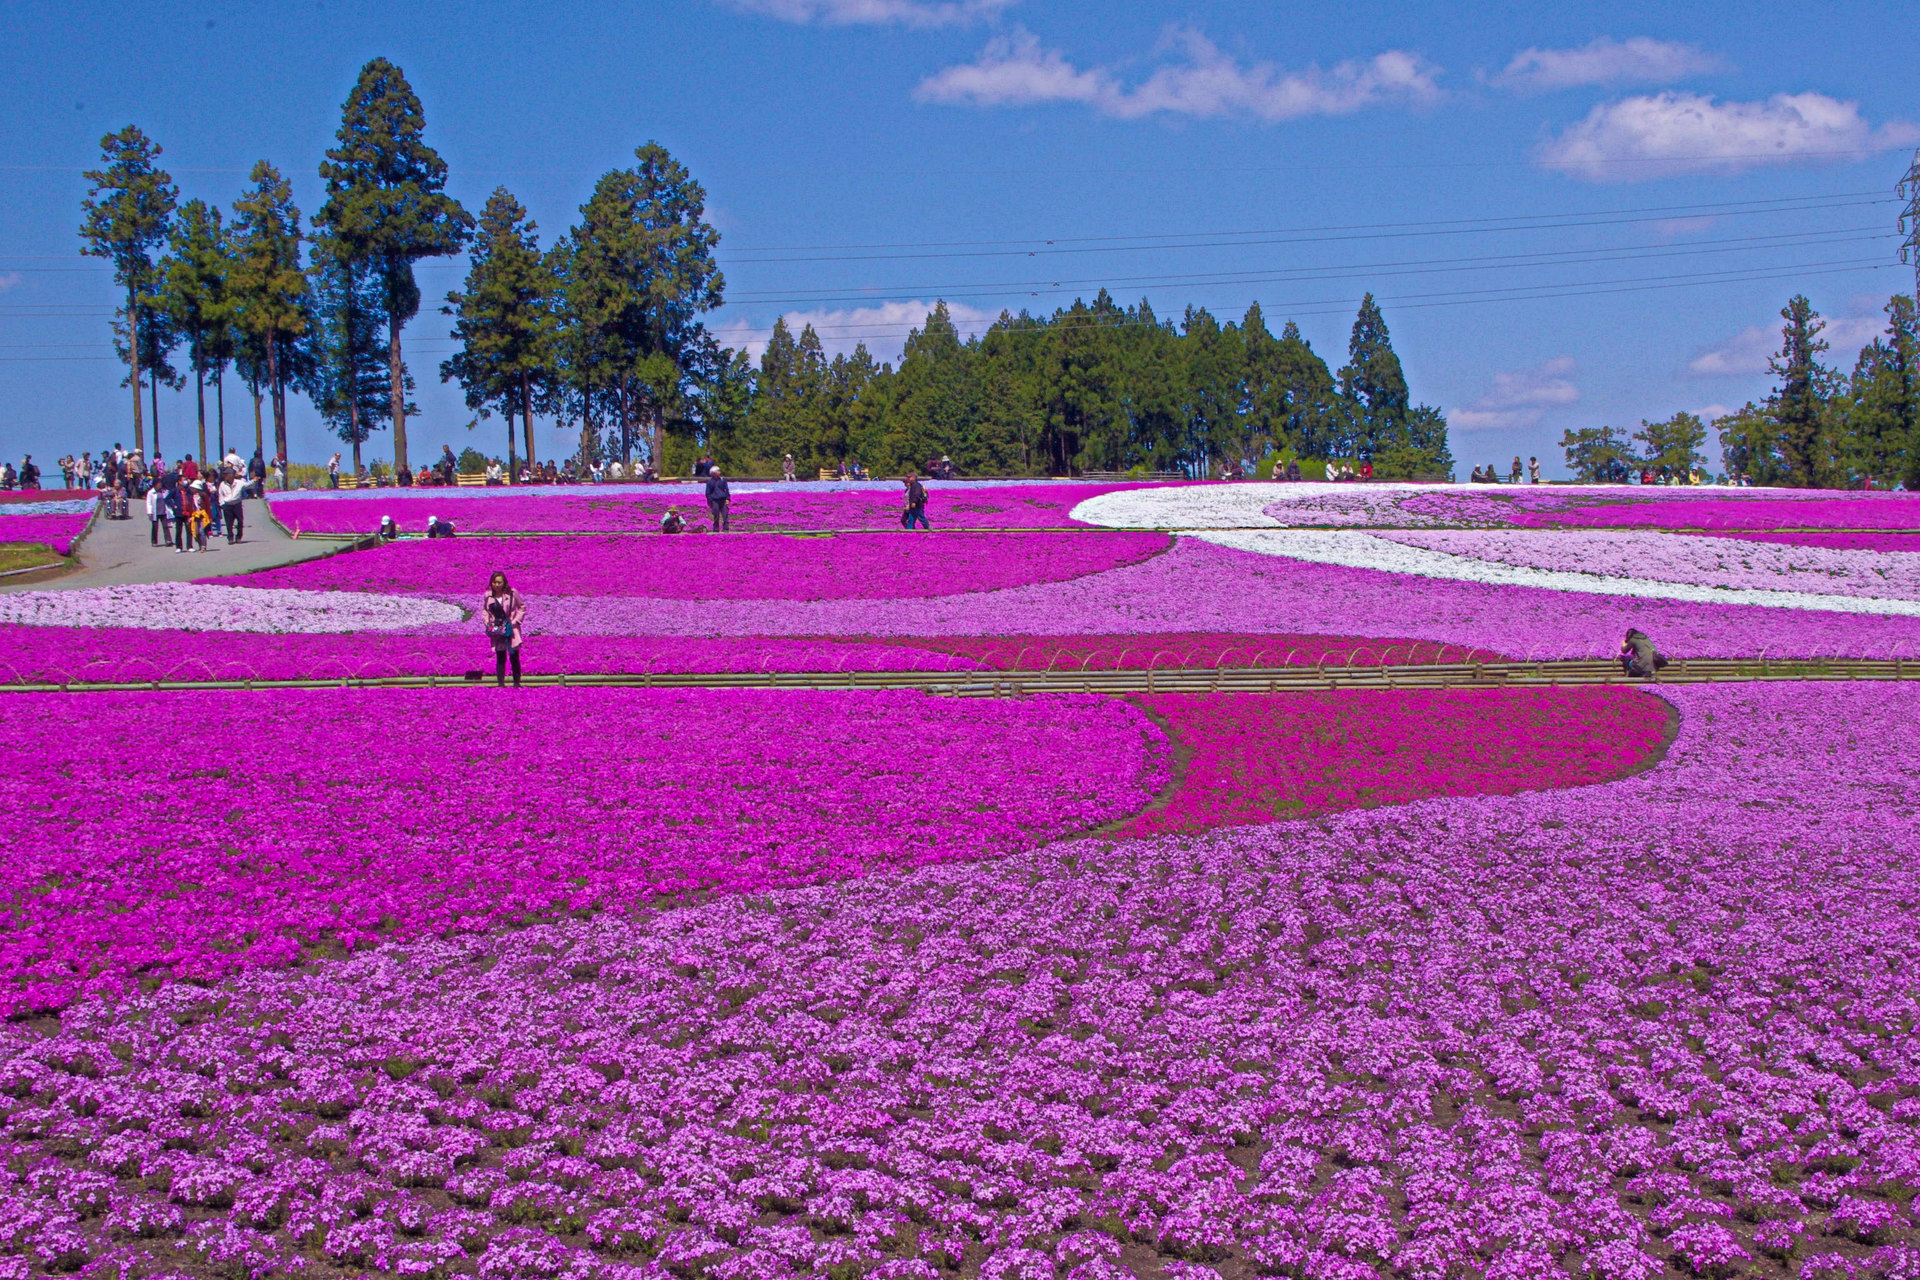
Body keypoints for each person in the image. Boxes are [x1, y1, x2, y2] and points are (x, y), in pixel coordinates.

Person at [482, 570, 526, 688]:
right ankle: (501, 684)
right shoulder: (488, 596)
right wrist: (487, 623)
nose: (497, 585)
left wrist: (515, 621)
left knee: (514, 657)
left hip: (511, 629)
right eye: (495, 582)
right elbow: (485, 611)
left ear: (504, 582)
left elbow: (522, 607)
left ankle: (516, 683)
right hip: (497, 630)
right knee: (500, 657)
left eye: (499, 582)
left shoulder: (512, 593)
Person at [219, 470, 246, 544]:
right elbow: (220, 495)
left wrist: (254, 480)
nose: (225, 476)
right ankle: (230, 537)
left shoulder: (239, 482)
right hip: (227, 505)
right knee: (229, 523)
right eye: (224, 475)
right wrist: (222, 504)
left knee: (240, 521)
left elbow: (247, 486)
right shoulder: (222, 484)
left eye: (227, 474)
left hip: (237, 504)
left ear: (231, 475)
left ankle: (239, 537)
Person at [705, 465, 731, 531]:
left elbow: (726, 490)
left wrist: (728, 498)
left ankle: (725, 528)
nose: (719, 472)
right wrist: (710, 501)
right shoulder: (710, 482)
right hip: (715, 501)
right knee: (716, 516)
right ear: (714, 473)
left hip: (723, 500)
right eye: (718, 471)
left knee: (725, 515)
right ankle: (716, 529)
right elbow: (708, 493)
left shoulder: (723, 480)